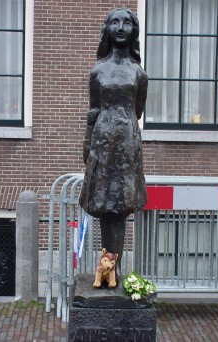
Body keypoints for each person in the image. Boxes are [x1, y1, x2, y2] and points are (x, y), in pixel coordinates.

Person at [79, 8, 148, 275]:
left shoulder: (138, 74)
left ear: (134, 31)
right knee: (105, 204)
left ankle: (113, 270)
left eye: (127, 23)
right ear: (107, 29)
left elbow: (137, 110)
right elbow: (93, 111)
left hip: (126, 143)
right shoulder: (97, 72)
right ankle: (107, 271)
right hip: (103, 142)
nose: (121, 27)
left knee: (120, 205)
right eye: (115, 22)